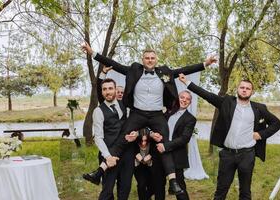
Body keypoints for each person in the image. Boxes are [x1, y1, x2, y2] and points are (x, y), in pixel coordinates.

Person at [82, 42, 217, 194]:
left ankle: (173, 181)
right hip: (137, 113)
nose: (150, 60)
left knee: (164, 141)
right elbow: (115, 64)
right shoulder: (134, 70)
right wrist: (92, 52)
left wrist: (205, 64)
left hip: (156, 115)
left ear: (156, 59)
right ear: (142, 59)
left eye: (152, 58)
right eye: (147, 58)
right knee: (122, 138)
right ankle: (99, 171)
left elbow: (184, 70)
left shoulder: (164, 72)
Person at [178, 73, 280, 200]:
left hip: (247, 154)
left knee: (245, 191)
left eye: (247, 88)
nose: (244, 90)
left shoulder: (259, 108)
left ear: (252, 92)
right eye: (242, 87)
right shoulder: (226, 102)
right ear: (237, 89)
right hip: (227, 154)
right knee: (221, 189)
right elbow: (207, 95)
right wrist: (187, 82)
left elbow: (277, 123)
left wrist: (261, 134)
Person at [83, 78, 135, 200]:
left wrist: (135, 134)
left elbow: (133, 125)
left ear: (116, 90)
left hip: (127, 155)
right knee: (107, 192)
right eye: (104, 89)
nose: (108, 92)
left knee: (125, 190)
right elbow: (99, 137)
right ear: (101, 92)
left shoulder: (125, 106)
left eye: (110, 88)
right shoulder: (98, 111)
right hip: (109, 155)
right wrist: (108, 157)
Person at [156, 90, 197, 200]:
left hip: (177, 155)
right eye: (182, 97)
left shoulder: (190, 119)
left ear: (190, 102)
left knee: (179, 187)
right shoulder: (168, 112)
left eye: (187, 99)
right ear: (178, 98)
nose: (184, 100)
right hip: (161, 153)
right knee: (159, 185)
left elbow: (184, 138)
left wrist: (166, 146)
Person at [134, 128, 154, 200]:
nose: (143, 143)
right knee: (141, 184)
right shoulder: (135, 143)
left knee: (152, 185)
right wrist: (136, 154)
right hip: (139, 166)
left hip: (149, 165)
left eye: (145, 140)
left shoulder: (152, 144)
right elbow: (132, 151)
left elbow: (155, 153)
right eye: (141, 140)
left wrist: (151, 155)